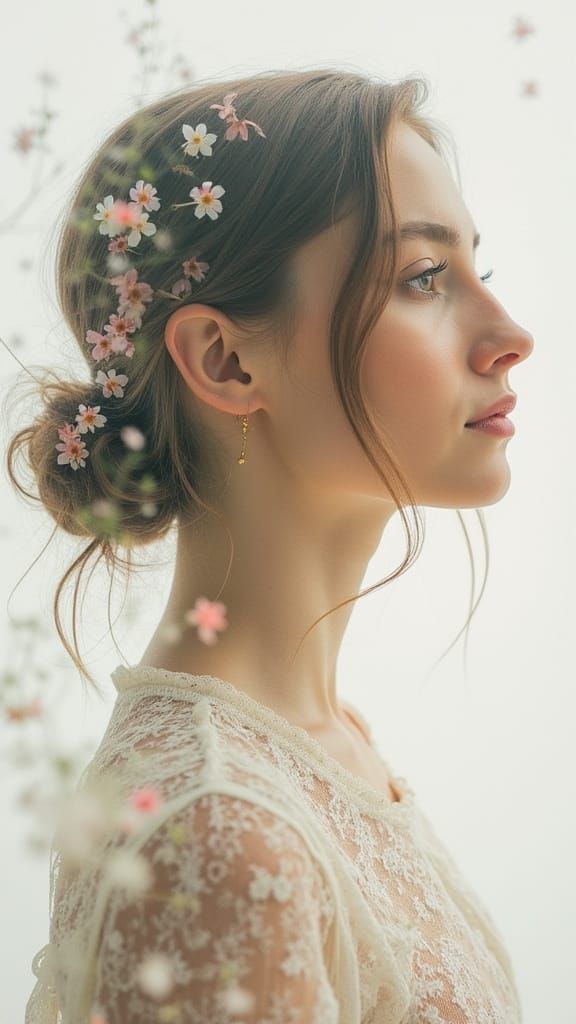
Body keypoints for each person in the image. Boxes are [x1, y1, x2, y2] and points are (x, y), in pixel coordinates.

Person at [12, 68, 532, 1023]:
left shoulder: (322, 750)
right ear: (225, 359)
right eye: (424, 278)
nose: (510, 336)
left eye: (477, 272)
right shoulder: (224, 831)